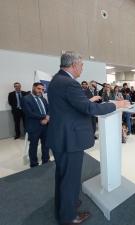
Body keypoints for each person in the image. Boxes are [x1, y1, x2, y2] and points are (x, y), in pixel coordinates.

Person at [46, 51, 129, 225]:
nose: (82, 68)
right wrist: (116, 104)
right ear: (74, 65)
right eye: (82, 64)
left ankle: (64, 207)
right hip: (70, 139)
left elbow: (69, 106)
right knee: (70, 179)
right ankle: (68, 217)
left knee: (63, 176)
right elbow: (89, 110)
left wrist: (88, 100)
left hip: (60, 136)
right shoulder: (69, 83)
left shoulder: (56, 80)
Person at [22, 82, 50, 167]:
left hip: (45, 126)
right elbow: (29, 113)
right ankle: (34, 164)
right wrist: (45, 117)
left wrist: (47, 118)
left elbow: (48, 109)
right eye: (38, 88)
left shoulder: (43, 99)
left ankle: (46, 161)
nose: (40, 91)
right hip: (34, 127)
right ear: (33, 88)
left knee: (46, 145)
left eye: (42, 89)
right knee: (33, 146)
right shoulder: (26, 99)